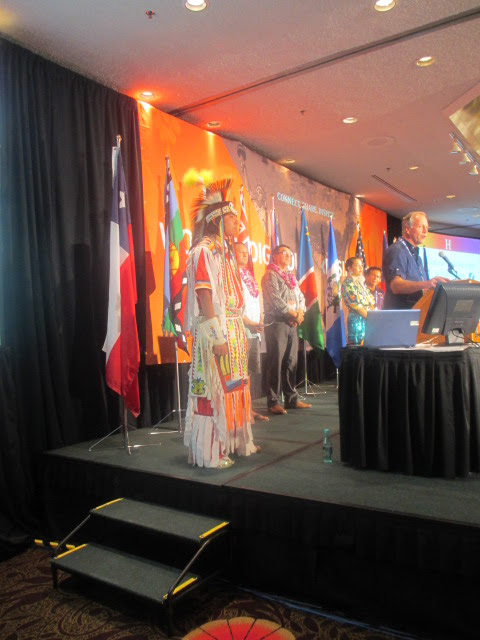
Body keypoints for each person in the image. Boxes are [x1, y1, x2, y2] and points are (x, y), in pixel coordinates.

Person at [184, 179, 257, 469]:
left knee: (235, 385)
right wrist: (216, 337)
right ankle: (210, 452)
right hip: (215, 330)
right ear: (217, 220)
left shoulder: (225, 253)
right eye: (232, 218)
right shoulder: (204, 251)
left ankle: (235, 441)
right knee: (213, 389)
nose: (238, 223)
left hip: (234, 328)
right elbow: (204, 296)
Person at [261, 244, 311, 415]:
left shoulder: (290, 277)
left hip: (292, 324)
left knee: (291, 362)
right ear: (275, 256)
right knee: (275, 362)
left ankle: (291, 399)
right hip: (277, 323)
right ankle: (273, 401)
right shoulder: (270, 275)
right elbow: (276, 301)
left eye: (290, 254)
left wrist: (300, 313)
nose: (289, 257)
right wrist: (294, 315)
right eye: (285, 253)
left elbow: (301, 297)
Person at [383, 211, 448, 309]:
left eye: (427, 227)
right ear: (408, 229)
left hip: (418, 312)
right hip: (401, 315)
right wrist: (426, 284)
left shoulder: (417, 257)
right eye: (421, 227)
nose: (425, 231)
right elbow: (395, 285)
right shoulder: (397, 250)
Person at [234, 242, 269, 422]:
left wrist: (260, 321)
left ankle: (248, 408)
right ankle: (240, 410)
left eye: (245, 252)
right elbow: (235, 305)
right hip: (241, 331)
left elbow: (256, 302)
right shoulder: (232, 276)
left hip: (254, 331)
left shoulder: (248, 276)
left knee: (248, 373)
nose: (244, 255)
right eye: (240, 252)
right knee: (240, 373)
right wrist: (249, 322)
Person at [341, 257, 375, 345]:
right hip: (357, 321)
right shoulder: (347, 284)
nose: (361, 268)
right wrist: (373, 318)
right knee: (358, 347)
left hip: (368, 319)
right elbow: (356, 305)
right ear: (349, 268)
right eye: (357, 265)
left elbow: (371, 301)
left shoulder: (362, 283)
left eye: (361, 265)